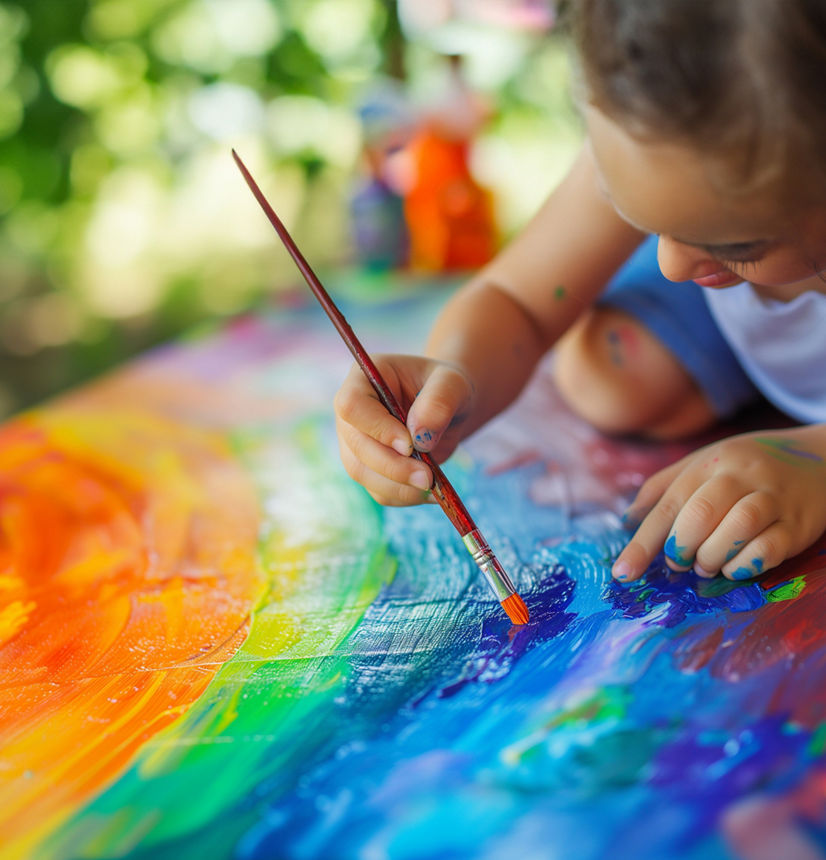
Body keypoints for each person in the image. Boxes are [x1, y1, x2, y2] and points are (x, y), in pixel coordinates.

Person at [333, 0, 826, 585]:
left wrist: (813, 461)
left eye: (739, 243)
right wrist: (451, 376)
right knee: (608, 375)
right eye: (637, 214)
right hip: (748, 312)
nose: (671, 262)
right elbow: (515, 300)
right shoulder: (656, 123)